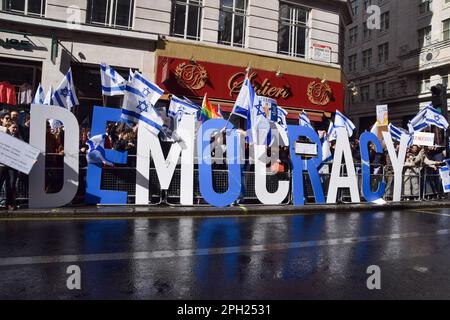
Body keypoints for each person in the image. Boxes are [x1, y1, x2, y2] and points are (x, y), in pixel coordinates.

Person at [0, 123, 22, 210]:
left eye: (16, 127)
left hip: (12, 166)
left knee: (11, 185)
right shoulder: (2, 135)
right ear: (8, 128)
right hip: (1, 165)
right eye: (13, 127)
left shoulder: (19, 138)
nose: (15, 129)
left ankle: (9, 204)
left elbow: (24, 151)